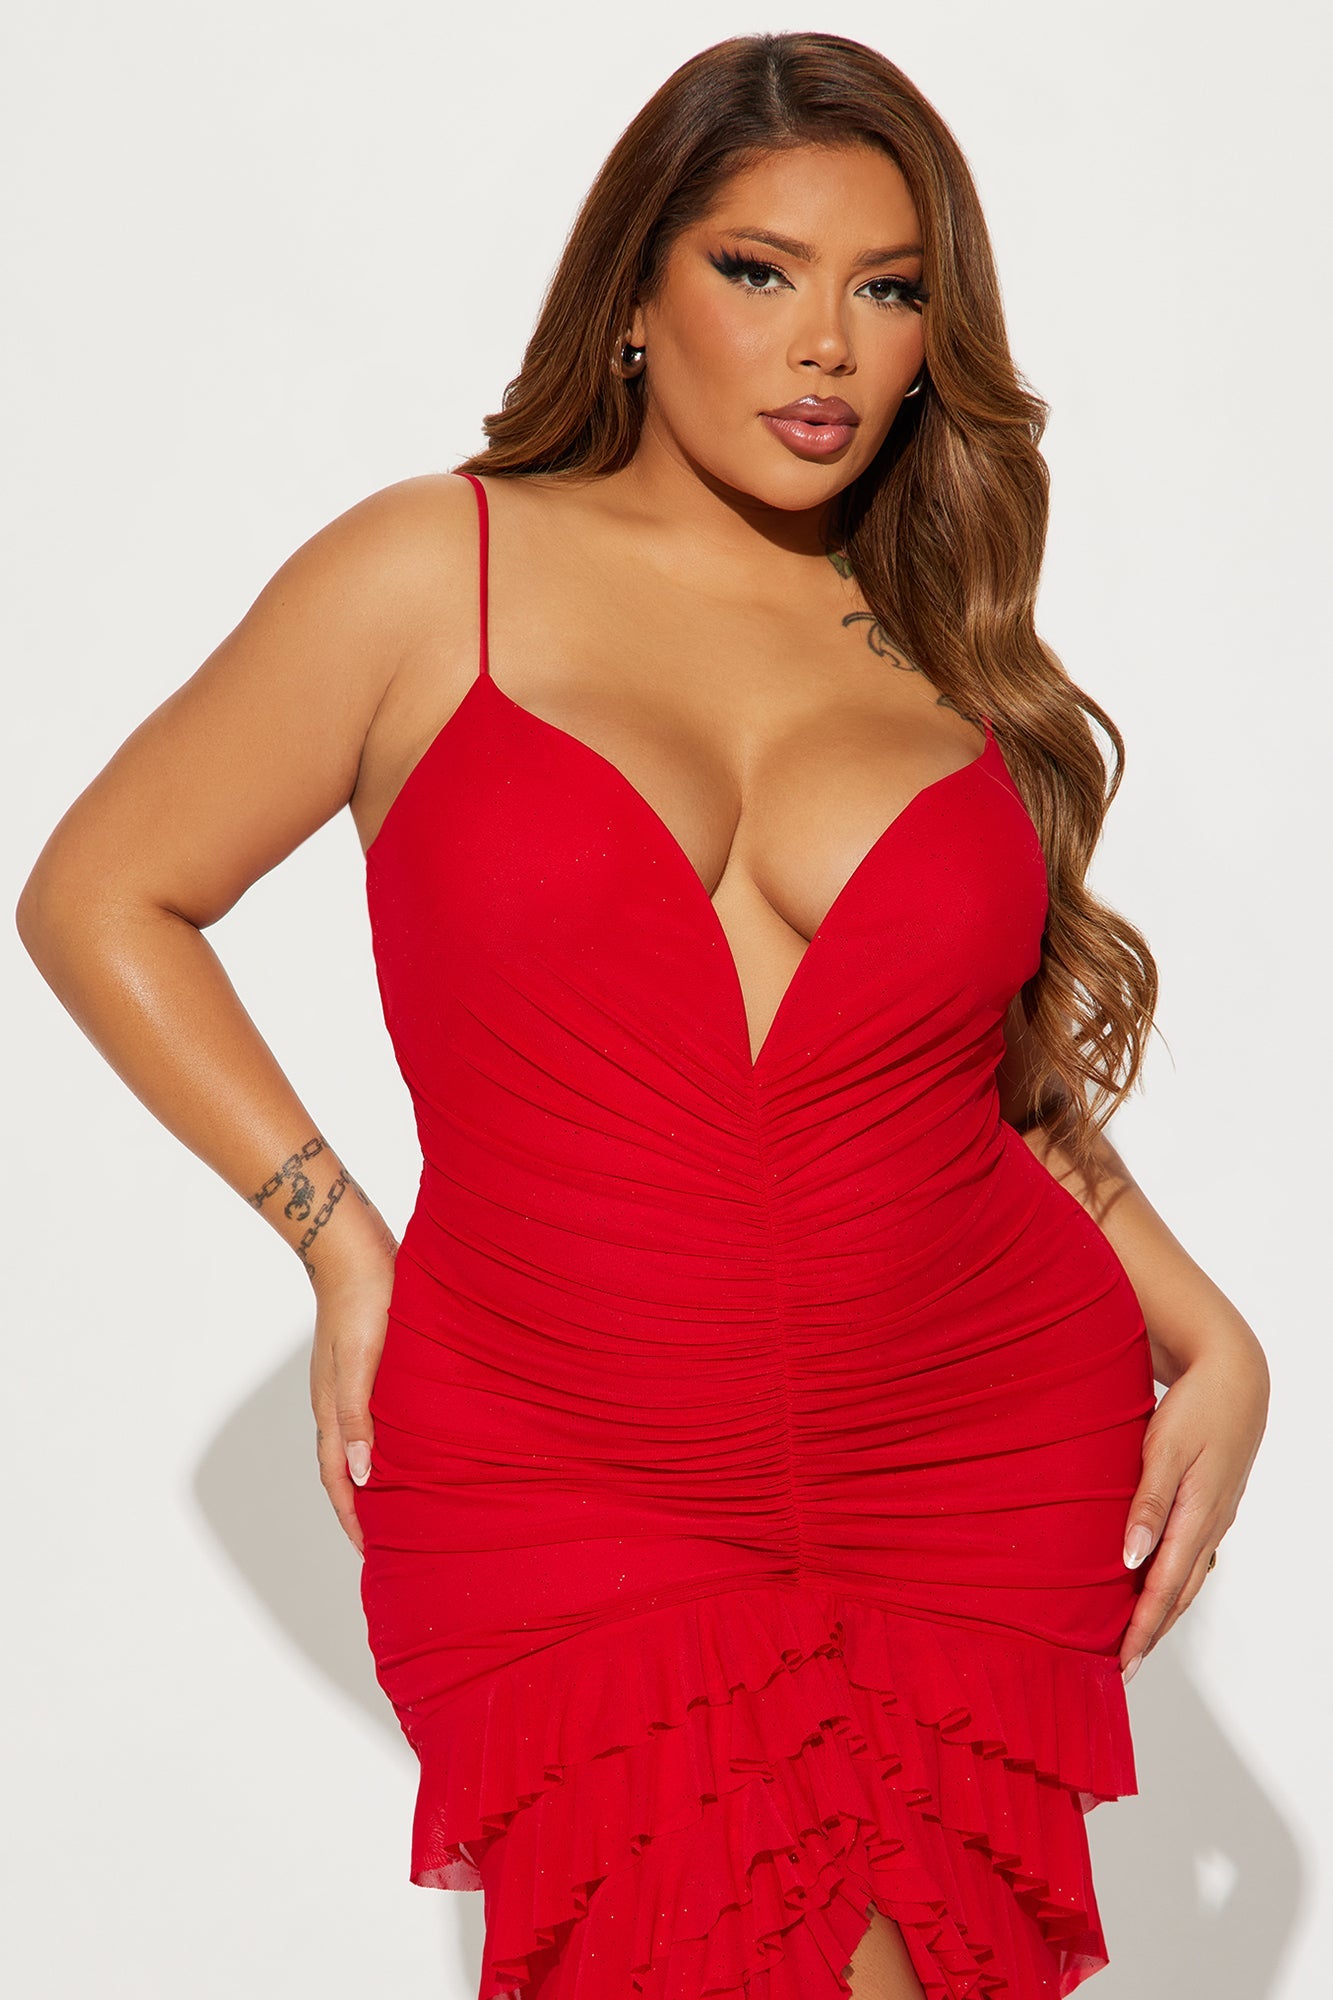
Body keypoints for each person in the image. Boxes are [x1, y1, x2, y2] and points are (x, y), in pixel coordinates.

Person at [15, 29, 1270, 2000]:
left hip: (957, 1453)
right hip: (564, 1460)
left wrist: (1213, 1332)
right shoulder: (432, 570)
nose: (825, 344)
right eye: (758, 271)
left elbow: (968, 1075)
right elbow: (102, 893)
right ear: (632, 294)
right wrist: (336, 1237)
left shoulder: (938, 639)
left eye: (888, 290)